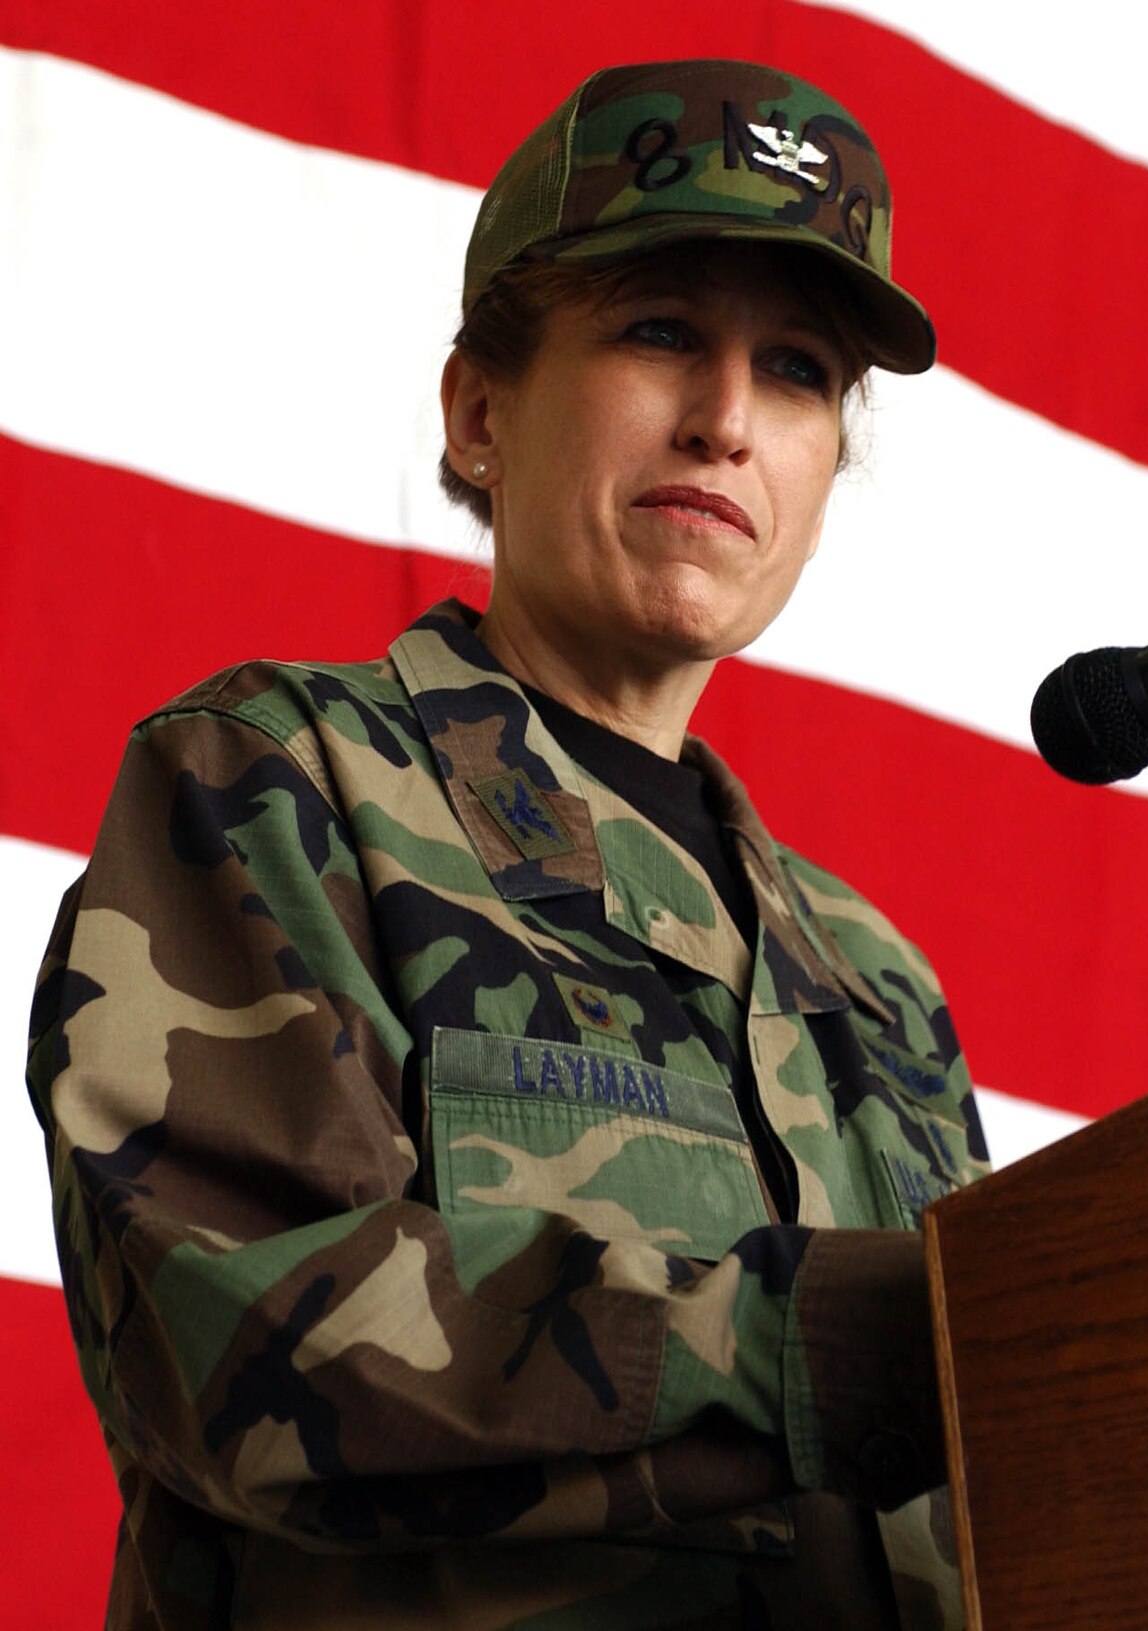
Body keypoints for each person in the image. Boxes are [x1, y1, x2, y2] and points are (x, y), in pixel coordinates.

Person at [26, 59, 986, 1631]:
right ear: (481, 411)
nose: (729, 421)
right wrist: (808, 1347)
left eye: (800, 370)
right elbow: (235, 1356)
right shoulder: (279, 783)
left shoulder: (877, 982)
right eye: (661, 330)